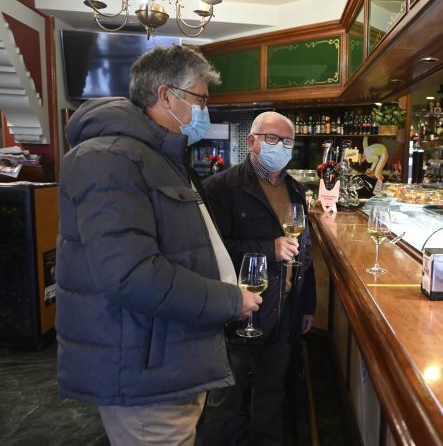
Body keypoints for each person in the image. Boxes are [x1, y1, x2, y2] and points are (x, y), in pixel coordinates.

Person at [56, 45, 262, 446]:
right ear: (167, 96)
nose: (205, 110)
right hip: (144, 369)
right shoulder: (109, 158)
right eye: (201, 99)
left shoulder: (157, 155)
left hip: (169, 358)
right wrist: (229, 301)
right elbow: (132, 275)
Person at [199, 111, 317, 446]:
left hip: (282, 314)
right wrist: (269, 248)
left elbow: (304, 253)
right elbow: (213, 251)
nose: (281, 145)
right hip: (238, 315)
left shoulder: (295, 189)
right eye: (272, 138)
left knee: (270, 400)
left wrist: (307, 304)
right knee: (224, 404)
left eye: (288, 141)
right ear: (252, 141)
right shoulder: (221, 187)